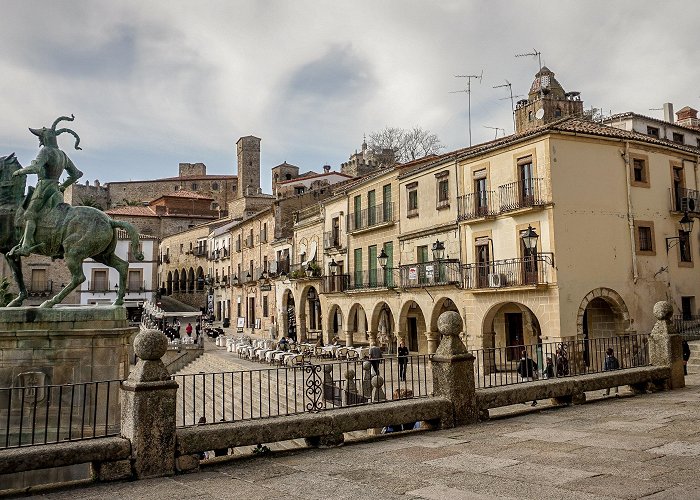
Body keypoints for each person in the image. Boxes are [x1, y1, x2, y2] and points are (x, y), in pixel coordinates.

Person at [9, 115, 83, 257]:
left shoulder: (46, 151)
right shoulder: (62, 155)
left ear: (45, 138)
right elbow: (76, 174)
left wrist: (19, 171)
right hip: (56, 189)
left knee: (30, 214)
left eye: (40, 137)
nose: (39, 140)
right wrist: (63, 186)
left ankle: (26, 246)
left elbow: (35, 168)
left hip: (43, 188)